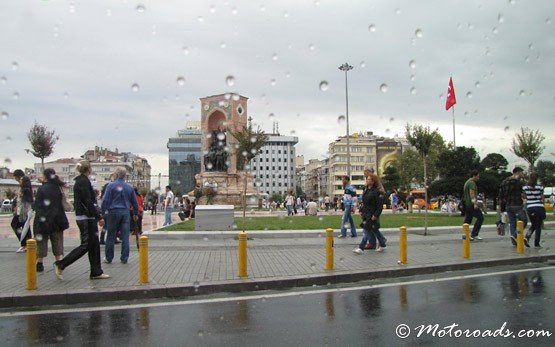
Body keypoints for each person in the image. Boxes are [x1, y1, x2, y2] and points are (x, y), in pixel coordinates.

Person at [54, 161, 109, 280]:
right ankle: (61, 264)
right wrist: (99, 216)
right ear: (88, 169)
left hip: (86, 217)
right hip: (86, 218)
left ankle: (96, 271)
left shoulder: (81, 181)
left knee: (94, 245)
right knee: (86, 245)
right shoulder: (83, 182)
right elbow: (88, 202)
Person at [32, 168, 69, 273]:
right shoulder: (58, 188)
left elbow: (37, 205)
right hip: (57, 219)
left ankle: (40, 263)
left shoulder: (42, 189)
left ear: (45, 176)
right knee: (57, 240)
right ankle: (58, 263)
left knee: (42, 241)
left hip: (44, 219)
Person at [101, 167, 139, 264]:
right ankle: (124, 258)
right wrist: (135, 213)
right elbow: (135, 202)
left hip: (113, 212)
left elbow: (105, 200)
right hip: (125, 212)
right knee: (125, 236)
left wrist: (102, 213)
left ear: (116, 174)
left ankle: (109, 258)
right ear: (125, 175)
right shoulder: (129, 187)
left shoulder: (110, 186)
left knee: (111, 235)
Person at [353, 173, 386, 254]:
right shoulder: (365, 190)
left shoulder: (376, 192)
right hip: (366, 213)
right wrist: (361, 210)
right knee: (374, 230)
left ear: (373, 181)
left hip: (372, 214)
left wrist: (376, 215)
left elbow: (379, 205)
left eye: (368, 179)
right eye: (367, 179)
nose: (367, 180)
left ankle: (361, 247)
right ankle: (382, 243)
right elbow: (364, 202)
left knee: (367, 230)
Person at [499, 167, 528, 247]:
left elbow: (501, 196)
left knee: (512, 222)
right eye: (522, 172)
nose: (523, 174)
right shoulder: (518, 182)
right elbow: (523, 193)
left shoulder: (504, 182)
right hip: (517, 204)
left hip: (508, 205)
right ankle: (514, 235)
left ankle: (514, 241)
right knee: (524, 220)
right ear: (518, 172)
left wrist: (502, 208)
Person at [11, 169, 34, 253]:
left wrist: (22, 192)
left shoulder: (24, 179)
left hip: (24, 206)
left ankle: (24, 244)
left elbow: (27, 190)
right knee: (25, 225)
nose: (16, 180)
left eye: (15, 178)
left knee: (15, 224)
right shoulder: (24, 181)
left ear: (18, 176)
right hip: (24, 206)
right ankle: (29, 243)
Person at [523, 172, 545, 248]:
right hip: (539, 207)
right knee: (538, 226)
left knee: (533, 224)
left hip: (530, 208)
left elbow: (524, 197)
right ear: (537, 179)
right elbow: (542, 198)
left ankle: (527, 237)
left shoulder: (525, 187)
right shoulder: (540, 187)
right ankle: (536, 243)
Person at [463, 170, 484, 241]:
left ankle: (466, 234)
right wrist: (475, 203)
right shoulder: (472, 183)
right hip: (471, 204)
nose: (478, 178)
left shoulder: (467, 182)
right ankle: (474, 234)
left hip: (467, 203)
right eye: (477, 176)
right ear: (474, 176)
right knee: (480, 218)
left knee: (468, 220)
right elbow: (472, 194)